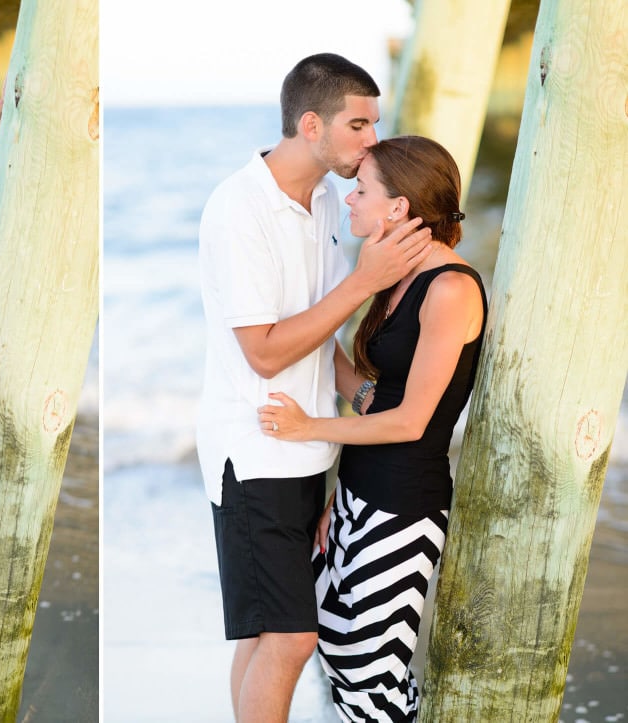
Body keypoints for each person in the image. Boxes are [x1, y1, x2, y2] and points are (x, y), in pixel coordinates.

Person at [196, 53, 433, 722]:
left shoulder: (331, 196)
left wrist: (366, 401)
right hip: (253, 447)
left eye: (375, 124)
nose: (373, 142)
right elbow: (266, 351)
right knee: (294, 636)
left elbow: (317, 332)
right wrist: (364, 280)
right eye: (358, 125)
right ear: (310, 124)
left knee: (265, 633)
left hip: (306, 448)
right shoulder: (238, 209)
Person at [258, 136, 486, 722]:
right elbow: (376, 397)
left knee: (373, 681)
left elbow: (411, 422)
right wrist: (307, 319)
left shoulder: (451, 289)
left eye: (363, 190)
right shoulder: (398, 279)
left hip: (405, 510)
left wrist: (310, 428)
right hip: (361, 495)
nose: (350, 199)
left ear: (399, 209)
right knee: (336, 653)